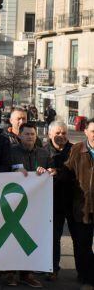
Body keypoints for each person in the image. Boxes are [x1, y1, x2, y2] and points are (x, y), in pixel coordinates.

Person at [6, 122, 55, 288]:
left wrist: (49, 171)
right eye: (26, 134)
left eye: (32, 134)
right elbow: (2, 171)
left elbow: (52, 170)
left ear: (36, 136)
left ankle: (27, 274)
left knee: (32, 237)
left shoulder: (43, 153)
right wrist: (13, 172)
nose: (30, 137)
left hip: (36, 205)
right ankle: (11, 273)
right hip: (14, 204)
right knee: (13, 239)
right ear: (19, 136)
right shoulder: (11, 152)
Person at [44, 121, 77, 281]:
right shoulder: (43, 151)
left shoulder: (76, 150)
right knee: (53, 238)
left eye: (64, 133)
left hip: (73, 202)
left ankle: (84, 272)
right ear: (49, 134)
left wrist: (59, 172)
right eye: (57, 133)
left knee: (79, 239)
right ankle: (53, 269)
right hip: (52, 203)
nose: (61, 136)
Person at [64, 119, 94, 290]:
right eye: (93, 131)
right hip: (82, 208)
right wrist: (53, 174)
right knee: (84, 246)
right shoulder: (77, 149)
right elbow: (67, 171)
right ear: (86, 132)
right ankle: (87, 278)